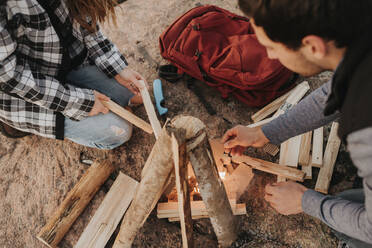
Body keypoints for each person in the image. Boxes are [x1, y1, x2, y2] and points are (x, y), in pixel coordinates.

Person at [222, 0, 372, 247]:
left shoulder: (363, 130)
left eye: (272, 47)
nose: (270, 55)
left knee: (350, 229)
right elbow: (333, 91)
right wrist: (265, 132)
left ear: (313, 46)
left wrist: (305, 200)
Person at [0, 0, 147, 149]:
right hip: (27, 93)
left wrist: (117, 68)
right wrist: (79, 102)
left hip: (68, 63)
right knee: (120, 131)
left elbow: (84, 15)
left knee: (136, 94)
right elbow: (10, 77)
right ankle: (14, 126)